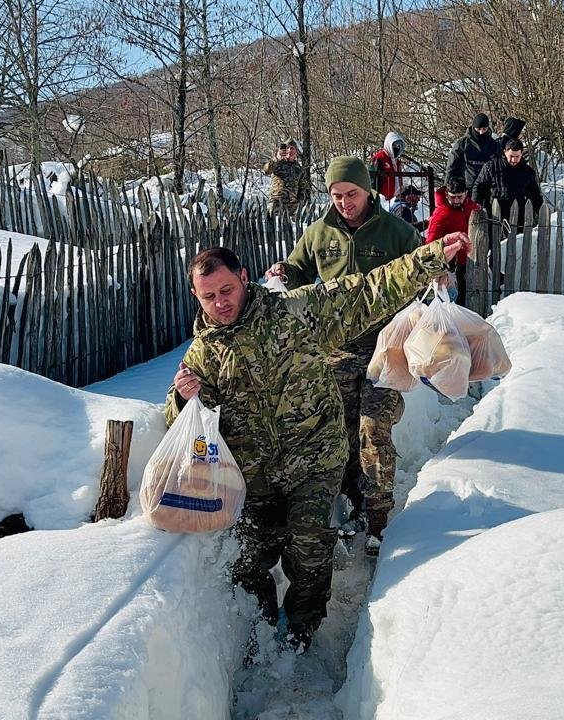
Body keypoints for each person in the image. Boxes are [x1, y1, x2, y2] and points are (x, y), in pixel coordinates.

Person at [169, 230, 470, 653]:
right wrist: (183, 399)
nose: (220, 303)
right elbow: (184, 425)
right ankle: (258, 632)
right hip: (253, 476)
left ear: (244, 277)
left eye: (227, 290)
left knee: (309, 547)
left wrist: (430, 258)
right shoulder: (203, 355)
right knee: (251, 559)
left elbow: (366, 292)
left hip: (313, 456)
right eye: (209, 296)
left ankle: (301, 633)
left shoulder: (294, 313)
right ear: (196, 297)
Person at [264, 156, 422, 557]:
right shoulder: (319, 233)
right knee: (341, 431)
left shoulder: (397, 232)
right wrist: (283, 271)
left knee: (374, 427)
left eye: (351, 194)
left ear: (367, 190)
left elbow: (420, 270)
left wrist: (436, 276)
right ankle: (350, 505)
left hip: (385, 347)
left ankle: (378, 519)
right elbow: (299, 270)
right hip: (335, 350)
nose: (344, 203)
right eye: (336, 195)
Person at [425, 176, 481, 304]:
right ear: (446, 195)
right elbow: (431, 242)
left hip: (472, 260)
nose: (456, 200)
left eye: (459, 197)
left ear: (466, 193)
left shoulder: (472, 208)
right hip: (452, 265)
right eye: (452, 197)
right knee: (456, 299)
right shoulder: (442, 213)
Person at [473, 138, 545, 226]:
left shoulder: (527, 172)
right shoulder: (491, 167)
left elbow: (535, 194)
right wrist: (476, 206)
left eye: (517, 157)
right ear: (505, 152)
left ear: (521, 154)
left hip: (518, 216)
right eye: (511, 156)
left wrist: (540, 213)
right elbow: (479, 187)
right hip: (493, 214)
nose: (514, 160)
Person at [446, 113, 501, 191]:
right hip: (466, 187)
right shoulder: (462, 144)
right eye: (478, 129)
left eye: (484, 129)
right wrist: (447, 186)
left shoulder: (494, 145)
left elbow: (499, 166)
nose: (481, 132)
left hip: (487, 187)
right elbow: (451, 166)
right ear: (473, 128)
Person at [262, 139, 312, 215]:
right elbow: (266, 170)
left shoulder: (298, 168)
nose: (289, 150)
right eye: (287, 148)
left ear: (296, 151)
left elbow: (303, 188)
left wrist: (300, 203)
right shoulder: (277, 163)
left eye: (292, 148)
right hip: (276, 203)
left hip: (292, 206)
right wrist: (276, 158)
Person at [371, 131, 406, 201]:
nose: (396, 148)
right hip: (382, 200)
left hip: (396, 199)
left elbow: (399, 180)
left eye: (398, 146)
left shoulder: (397, 162)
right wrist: (374, 198)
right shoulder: (379, 158)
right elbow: (372, 181)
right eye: (394, 145)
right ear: (389, 144)